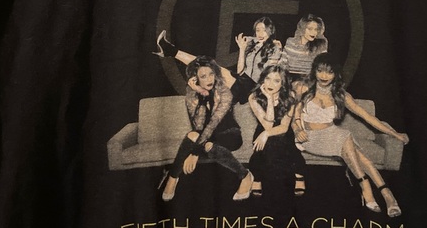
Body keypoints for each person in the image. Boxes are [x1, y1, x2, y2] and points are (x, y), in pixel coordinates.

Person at [293, 53, 409, 217]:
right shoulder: (303, 89)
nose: (324, 76)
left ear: (336, 74)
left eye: (330, 72)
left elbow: (368, 117)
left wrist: (395, 134)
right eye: (320, 70)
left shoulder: (341, 96)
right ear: (314, 71)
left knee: (359, 154)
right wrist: (298, 130)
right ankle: (366, 186)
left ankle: (386, 194)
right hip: (310, 138)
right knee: (346, 137)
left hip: (333, 134)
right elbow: (294, 117)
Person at [159, 56, 253, 202]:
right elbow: (198, 125)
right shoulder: (192, 94)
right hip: (206, 136)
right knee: (192, 135)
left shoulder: (225, 92)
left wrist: (195, 152)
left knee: (208, 145)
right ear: (195, 79)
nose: (209, 79)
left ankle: (245, 176)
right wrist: (200, 94)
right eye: (203, 76)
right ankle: (172, 178)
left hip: (230, 134)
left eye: (211, 74)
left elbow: (214, 123)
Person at [153, 16, 281, 103]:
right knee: (206, 66)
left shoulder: (275, 48)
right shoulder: (253, 47)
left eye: (264, 30)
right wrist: (242, 49)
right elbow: (240, 71)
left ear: (270, 31)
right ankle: (170, 51)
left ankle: (169, 50)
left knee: (208, 65)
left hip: (252, 88)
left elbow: (271, 75)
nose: (260, 34)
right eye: (258, 30)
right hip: (241, 81)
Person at [247, 65, 307, 197]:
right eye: (267, 79)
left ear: (283, 83)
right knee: (263, 148)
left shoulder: (290, 96)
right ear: (263, 80)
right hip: (263, 129)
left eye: (276, 80)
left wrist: (266, 134)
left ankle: (299, 174)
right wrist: (269, 99)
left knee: (284, 146)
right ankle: (257, 177)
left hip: (283, 132)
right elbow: (268, 126)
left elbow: (284, 127)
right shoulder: (254, 97)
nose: (270, 84)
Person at [278, 14, 328, 82]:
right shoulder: (290, 42)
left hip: (310, 81)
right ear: (302, 29)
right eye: (310, 29)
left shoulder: (321, 44)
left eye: (316, 29)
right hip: (290, 80)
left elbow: (322, 67)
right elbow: (283, 64)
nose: (313, 32)